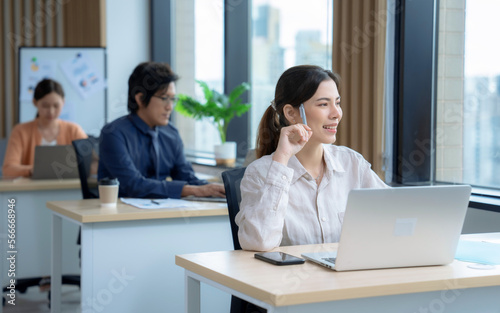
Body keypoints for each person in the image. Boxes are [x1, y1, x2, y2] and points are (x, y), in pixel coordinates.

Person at [236, 65, 388, 252]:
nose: (336, 113)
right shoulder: (259, 173)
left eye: (337, 103)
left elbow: (394, 214)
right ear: (291, 113)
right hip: (288, 279)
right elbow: (259, 242)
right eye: (323, 104)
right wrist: (282, 157)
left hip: (346, 278)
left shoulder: (351, 163)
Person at [98, 62, 225, 199]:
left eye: (173, 99)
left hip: (162, 213)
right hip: (121, 215)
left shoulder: (171, 133)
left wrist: (216, 190)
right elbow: (133, 185)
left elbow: (186, 176)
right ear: (140, 99)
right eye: (164, 98)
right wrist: (195, 190)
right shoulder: (113, 134)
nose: (170, 107)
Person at [2, 79, 87, 178]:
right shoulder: (20, 131)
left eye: (56, 106)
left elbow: (89, 162)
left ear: (63, 102)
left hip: (68, 189)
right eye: (45, 106)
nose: (51, 111)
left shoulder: (74, 130)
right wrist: (33, 170)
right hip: (31, 190)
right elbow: (8, 169)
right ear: (35, 103)